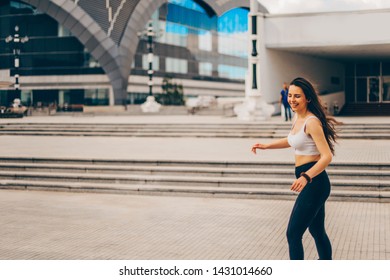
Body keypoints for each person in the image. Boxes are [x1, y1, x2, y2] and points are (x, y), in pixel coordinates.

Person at [251, 77, 341, 260]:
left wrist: (305, 177)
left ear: (307, 98)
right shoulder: (297, 117)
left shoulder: (311, 122)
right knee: (317, 231)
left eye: (297, 96)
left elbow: (327, 156)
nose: (292, 99)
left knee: (293, 234)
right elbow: (292, 140)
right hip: (312, 182)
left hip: (315, 183)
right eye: (290, 95)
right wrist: (267, 145)